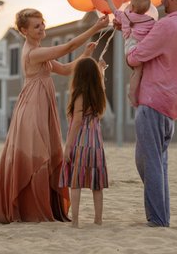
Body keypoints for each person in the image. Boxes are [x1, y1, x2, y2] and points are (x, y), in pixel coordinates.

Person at [0, 8, 108, 224]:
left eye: (42, 24)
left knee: (46, 152)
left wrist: (86, 55)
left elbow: (67, 69)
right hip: (33, 106)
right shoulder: (33, 53)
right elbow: (68, 46)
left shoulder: (39, 51)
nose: (41, 28)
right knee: (38, 153)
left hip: (42, 103)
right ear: (24, 30)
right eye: (36, 26)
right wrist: (95, 28)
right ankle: (31, 208)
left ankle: (41, 205)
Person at [126, 0, 177, 227]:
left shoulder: (167, 26)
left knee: (151, 162)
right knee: (155, 162)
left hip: (155, 100)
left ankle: (157, 220)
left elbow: (136, 57)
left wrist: (130, 43)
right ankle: (161, 216)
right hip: (172, 103)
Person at [59, 57, 109, 228]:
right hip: (96, 144)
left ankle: (75, 221)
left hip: (81, 142)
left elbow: (77, 121)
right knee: (97, 184)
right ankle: (98, 220)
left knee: (76, 182)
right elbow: (101, 85)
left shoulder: (79, 94)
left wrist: (68, 146)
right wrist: (101, 71)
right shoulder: (98, 94)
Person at [101, 0, 155, 106]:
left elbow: (115, 11)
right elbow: (156, 32)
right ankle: (132, 94)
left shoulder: (126, 16)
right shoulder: (150, 21)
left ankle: (134, 93)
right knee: (138, 71)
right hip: (137, 51)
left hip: (129, 49)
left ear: (133, 7)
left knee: (137, 72)